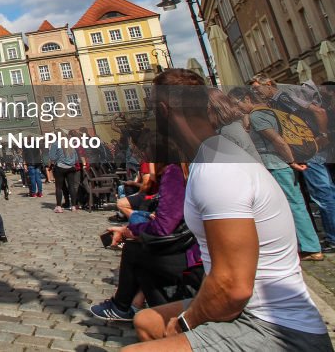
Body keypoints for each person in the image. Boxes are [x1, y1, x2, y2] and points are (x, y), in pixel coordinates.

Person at [127, 69, 332, 351]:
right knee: (148, 321)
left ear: (164, 110)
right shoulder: (211, 154)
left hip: (277, 327)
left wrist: (185, 323)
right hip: (252, 307)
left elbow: (233, 287)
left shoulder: (218, 169)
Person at [92, 152, 198, 321]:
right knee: (139, 249)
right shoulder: (187, 167)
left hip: (190, 253)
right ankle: (135, 306)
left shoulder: (174, 171)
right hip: (191, 245)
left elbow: (163, 227)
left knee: (136, 251)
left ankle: (123, 306)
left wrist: (129, 232)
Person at [230, 86, 324, 261]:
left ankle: (310, 247)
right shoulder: (268, 110)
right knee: (295, 203)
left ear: (247, 99)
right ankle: (308, 245)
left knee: (293, 205)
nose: (237, 108)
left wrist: (291, 161)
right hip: (281, 164)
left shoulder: (258, 116)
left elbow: (278, 141)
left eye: (238, 104)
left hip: (276, 164)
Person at [250, 75, 335, 253]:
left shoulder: (283, 97)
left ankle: (333, 238)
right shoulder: (278, 99)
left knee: (322, 192)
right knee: (324, 190)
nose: (256, 92)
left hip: (310, 149)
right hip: (308, 148)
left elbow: (319, 112)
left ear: (269, 84)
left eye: (258, 89)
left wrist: (322, 135)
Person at [48, 130, 79, 213]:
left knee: (59, 187)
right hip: (71, 167)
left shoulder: (55, 143)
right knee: (71, 186)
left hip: (60, 167)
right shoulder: (69, 143)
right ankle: (73, 206)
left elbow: (52, 157)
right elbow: (76, 158)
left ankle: (59, 206)